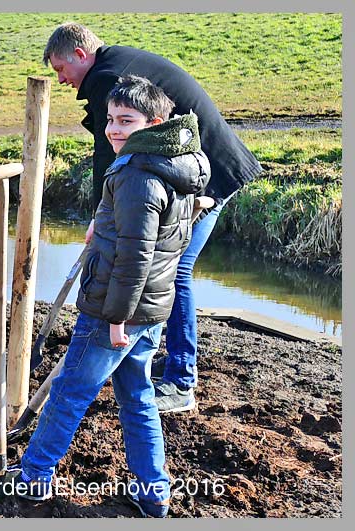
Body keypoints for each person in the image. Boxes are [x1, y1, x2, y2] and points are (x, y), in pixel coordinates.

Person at [9, 75, 210, 517]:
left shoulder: (138, 175)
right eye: (110, 120)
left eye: (127, 121)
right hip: (152, 310)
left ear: (154, 122)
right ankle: (153, 491)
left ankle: (34, 477)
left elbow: (135, 258)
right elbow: (154, 239)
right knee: (137, 396)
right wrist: (103, 224)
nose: (115, 129)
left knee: (69, 393)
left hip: (114, 311)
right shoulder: (175, 162)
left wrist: (116, 318)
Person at [43, 22, 263, 413]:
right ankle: (156, 355)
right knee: (165, 270)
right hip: (191, 174)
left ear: (80, 55)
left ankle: (181, 381)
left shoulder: (107, 78)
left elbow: (110, 156)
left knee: (172, 271)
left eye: (61, 69)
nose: (60, 79)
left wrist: (101, 215)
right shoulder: (116, 63)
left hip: (204, 180)